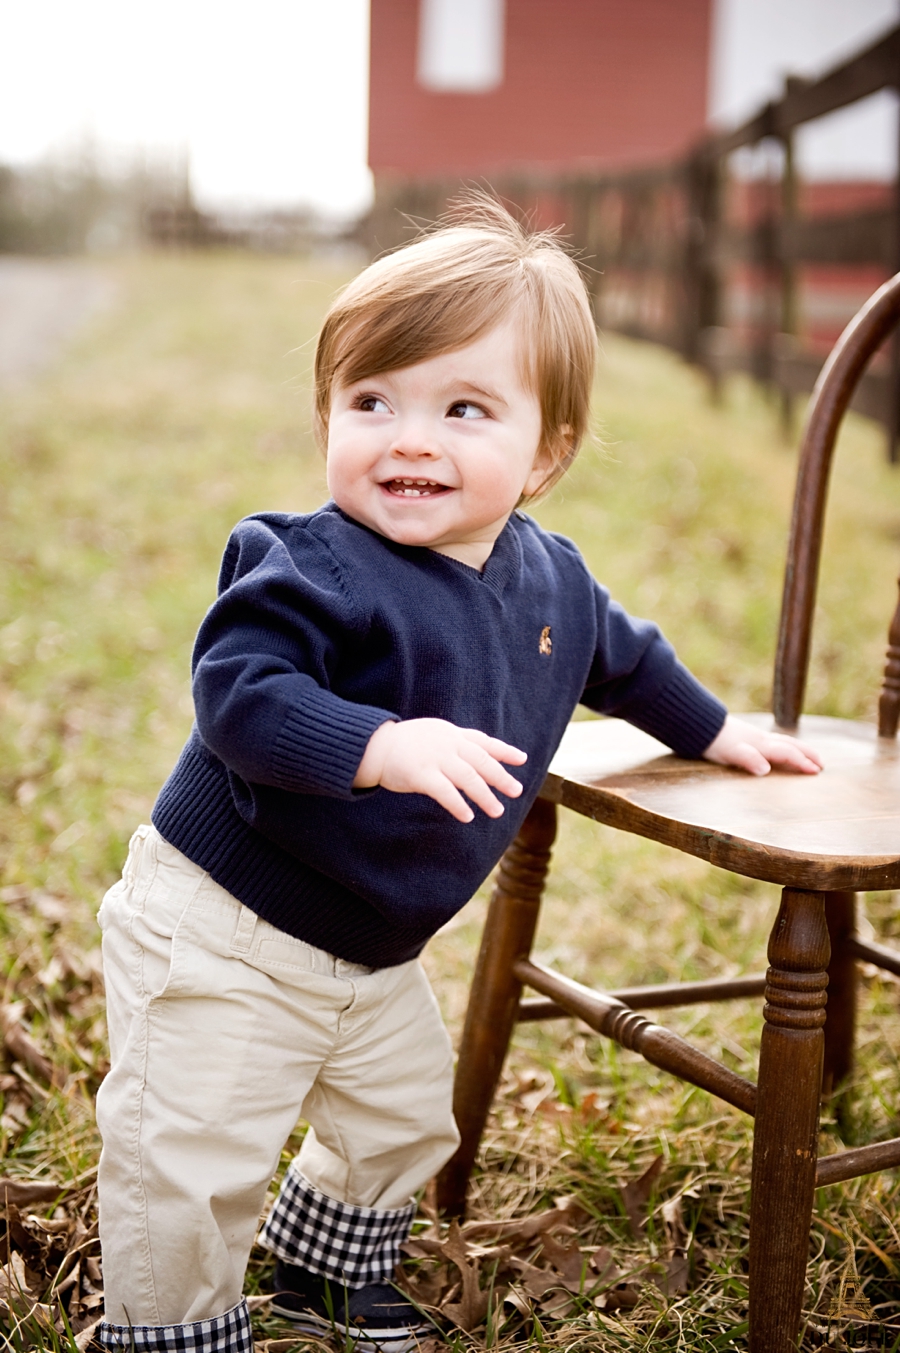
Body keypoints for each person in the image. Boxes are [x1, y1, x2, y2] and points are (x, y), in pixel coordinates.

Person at [94, 199, 821, 1353]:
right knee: (189, 1155)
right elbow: (241, 696)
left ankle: (322, 1272)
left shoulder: (554, 580)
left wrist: (715, 728)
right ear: (326, 416)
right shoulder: (307, 561)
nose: (410, 439)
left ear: (545, 453)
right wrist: (380, 744)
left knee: (400, 1122)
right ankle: (168, 1330)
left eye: (463, 409)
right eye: (371, 402)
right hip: (226, 931)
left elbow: (622, 658)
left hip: (377, 949)